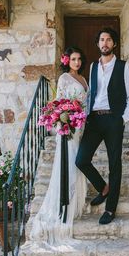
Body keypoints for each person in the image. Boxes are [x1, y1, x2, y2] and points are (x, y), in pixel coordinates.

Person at [76, 27, 129, 225]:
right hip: (94, 119)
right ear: (98, 44)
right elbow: (91, 93)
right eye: (102, 40)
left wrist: (123, 119)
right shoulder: (93, 66)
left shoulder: (124, 66)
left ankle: (110, 209)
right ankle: (103, 187)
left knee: (114, 165)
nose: (105, 43)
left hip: (113, 120)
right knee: (81, 159)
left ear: (114, 44)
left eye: (109, 40)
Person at [30, 47, 89, 245]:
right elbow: (58, 103)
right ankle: (64, 203)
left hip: (80, 127)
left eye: (79, 59)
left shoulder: (83, 79)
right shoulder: (64, 78)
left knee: (79, 161)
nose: (77, 62)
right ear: (67, 61)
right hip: (68, 127)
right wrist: (64, 120)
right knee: (70, 162)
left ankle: (75, 201)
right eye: (73, 59)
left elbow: (85, 104)